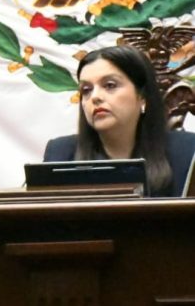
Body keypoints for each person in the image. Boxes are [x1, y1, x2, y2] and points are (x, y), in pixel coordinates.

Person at [43, 45, 195, 196]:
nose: (95, 97)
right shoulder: (61, 153)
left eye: (110, 85)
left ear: (142, 96)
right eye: (86, 90)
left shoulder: (187, 151)